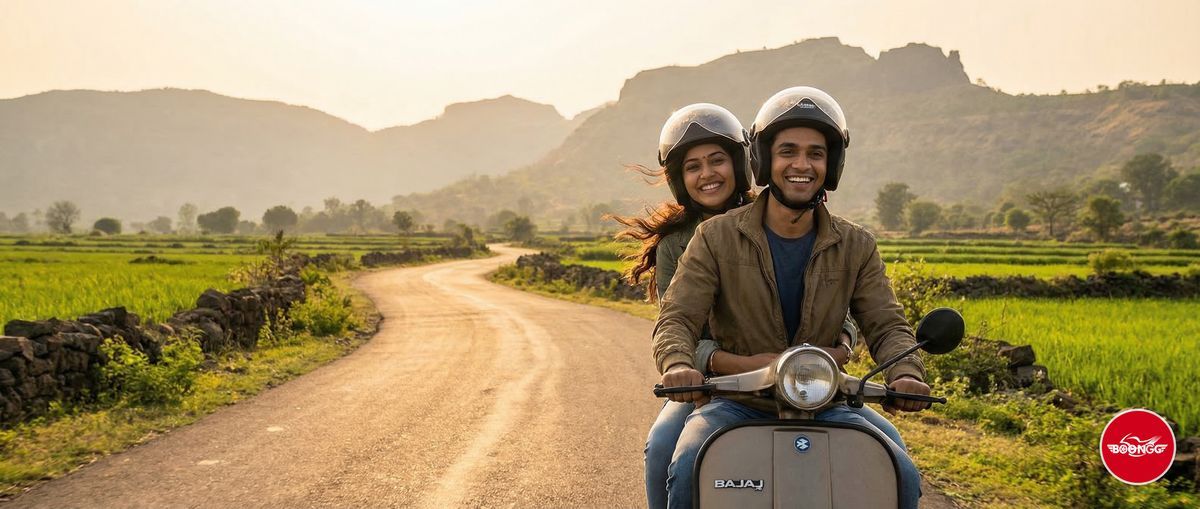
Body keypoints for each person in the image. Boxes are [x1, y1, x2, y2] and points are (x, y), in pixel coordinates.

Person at [652, 86, 930, 509]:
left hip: (825, 401)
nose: (802, 164)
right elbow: (676, 318)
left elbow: (886, 322)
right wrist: (677, 364)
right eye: (787, 151)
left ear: (831, 165)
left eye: (816, 153)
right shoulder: (715, 236)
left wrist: (906, 371)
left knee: (900, 470)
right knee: (685, 461)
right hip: (736, 401)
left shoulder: (857, 245)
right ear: (764, 160)